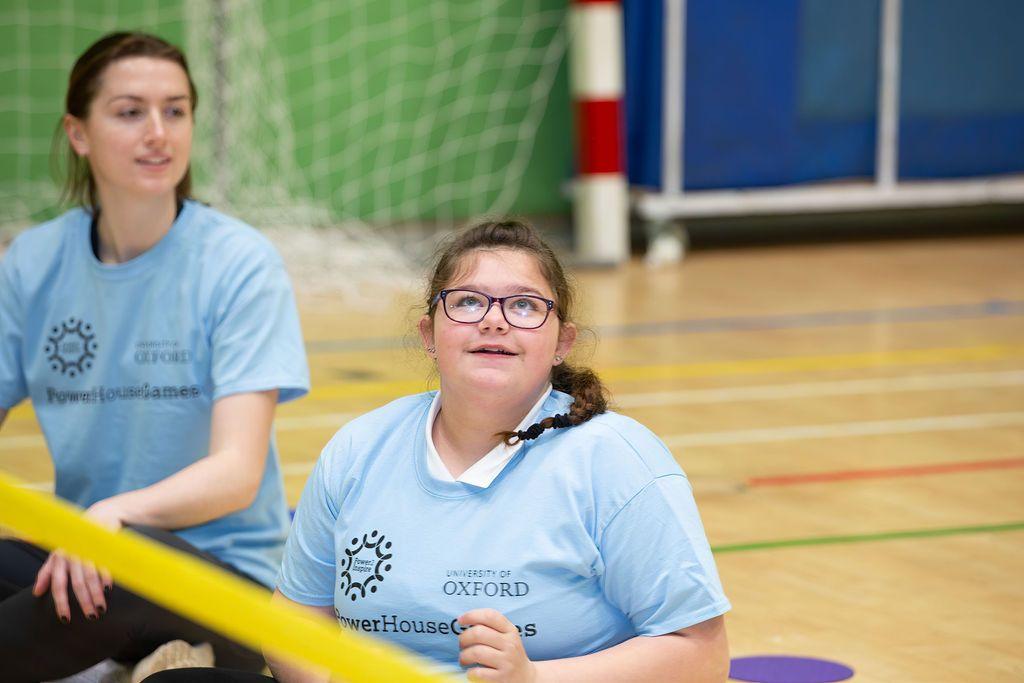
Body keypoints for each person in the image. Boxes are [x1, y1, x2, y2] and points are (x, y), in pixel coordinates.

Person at [148, 219, 730, 682]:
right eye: (469, 302)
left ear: (562, 341)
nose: (496, 321)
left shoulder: (615, 460)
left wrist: (533, 679)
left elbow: (700, 656)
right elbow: (296, 613)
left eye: (525, 306)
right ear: (430, 334)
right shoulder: (360, 448)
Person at [0, 31, 310, 681]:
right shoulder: (32, 262)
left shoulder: (238, 263)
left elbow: (236, 471)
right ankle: (145, 660)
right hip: (89, 558)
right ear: (78, 133)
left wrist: (113, 514)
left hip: (227, 584)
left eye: (175, 110)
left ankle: (159, 653)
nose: (158, 132)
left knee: (126, 559)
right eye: (129, 111)